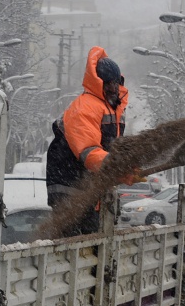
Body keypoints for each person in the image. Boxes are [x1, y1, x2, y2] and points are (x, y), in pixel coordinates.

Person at [46, 47, 129, 235]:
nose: (114, 88)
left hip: (89, 189)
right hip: (70, 186)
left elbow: (111, 149)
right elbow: (89, 152)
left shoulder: (113, 110)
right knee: (75, 242)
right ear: (98, 82)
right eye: (108, 83)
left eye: (116, 83)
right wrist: (117, 166)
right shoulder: (85, 107)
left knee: (91, 242)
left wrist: (125, 167)